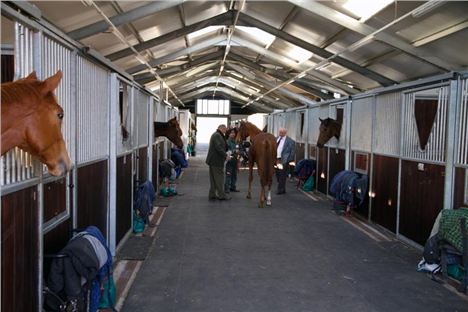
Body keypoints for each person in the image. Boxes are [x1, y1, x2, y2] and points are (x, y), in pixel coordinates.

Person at [206, 124, 231, 200]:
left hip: (213, 160)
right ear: (222, 128)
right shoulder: (217, 135)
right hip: (216, 160)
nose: (225, 131)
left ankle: (212, 194)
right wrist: (226, 155)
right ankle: (221, 195)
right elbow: (218, 147)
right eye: (225, 130)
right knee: (220, 178)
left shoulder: (217, 135)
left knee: (213, 179)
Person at [275, 127, 295, 194]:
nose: (280, 134)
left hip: (283, 160)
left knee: (282, 175)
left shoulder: (290, 141)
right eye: (279, 132)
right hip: (276, 159)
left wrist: (288, 160)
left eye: (281, 133)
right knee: (277, 174)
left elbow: (292, 152)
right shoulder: (276, 139)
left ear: (285, 133)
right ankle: (283, 189)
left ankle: (280, 190)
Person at [224, 128, 240, 193]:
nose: (233, 134)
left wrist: (239, 160)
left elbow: (238, 151)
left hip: (235, 161)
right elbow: (226, 151)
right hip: (230, 161)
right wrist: (234, 151)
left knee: (234, 175)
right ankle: (226, 188)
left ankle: (233, 187)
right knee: (228, 174)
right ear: (228, 134)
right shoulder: (227, 142)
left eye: (234, 133)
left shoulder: (236, 142)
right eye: (231, 133)